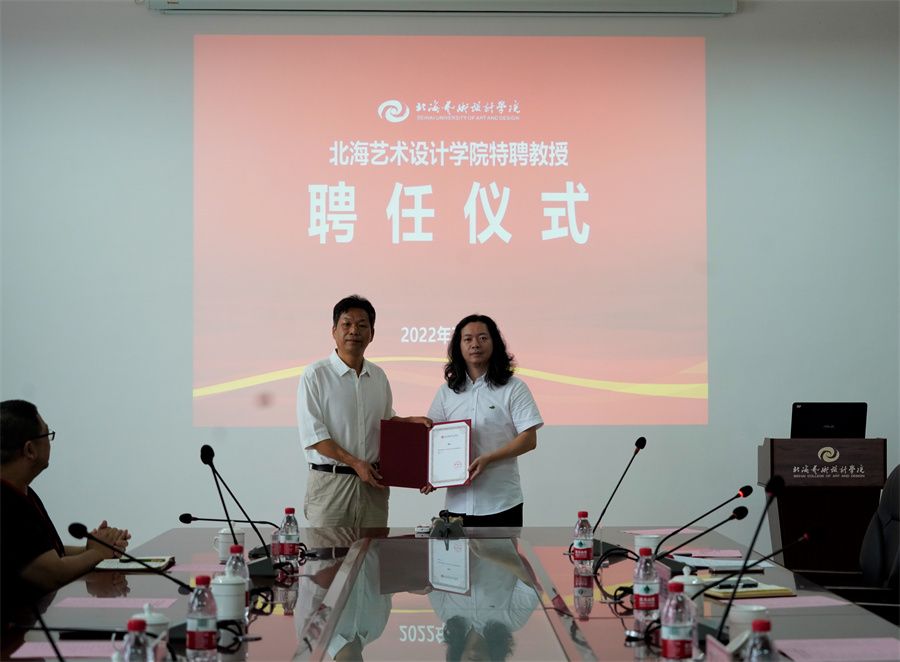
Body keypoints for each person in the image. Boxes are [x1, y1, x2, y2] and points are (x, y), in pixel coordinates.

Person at [297, 295, 431, 527]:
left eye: (362, 325)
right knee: (329, 551)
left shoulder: (378, 376)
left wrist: (407, 422)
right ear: (334, 331)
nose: (354, 331)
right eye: (347, 324)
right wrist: (355, 463)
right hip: (331, 485)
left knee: (374, 549)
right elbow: (315, 437)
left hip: (373, 485)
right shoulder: (315, 375)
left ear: (372, 334)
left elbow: (384, 424)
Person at [0, 400, 131, 624]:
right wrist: (97, 553)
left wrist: (94, 547)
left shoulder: (22, 492)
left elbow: (43, 553)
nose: (51, 442)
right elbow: (52, 574)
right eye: (47, 434)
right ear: (30, 450)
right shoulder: (6, 502)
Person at [422, 314, 543, 527]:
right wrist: (429, 475)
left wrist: (489, 458)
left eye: (483, 338)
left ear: (494, 343)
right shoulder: (446, 392)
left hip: (502, 502)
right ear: (458, 346)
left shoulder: (514, 388)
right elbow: (433, 440)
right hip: (457, 504)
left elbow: (529, 439)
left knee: (502, 552)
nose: (475, 344)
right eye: (468, 339)